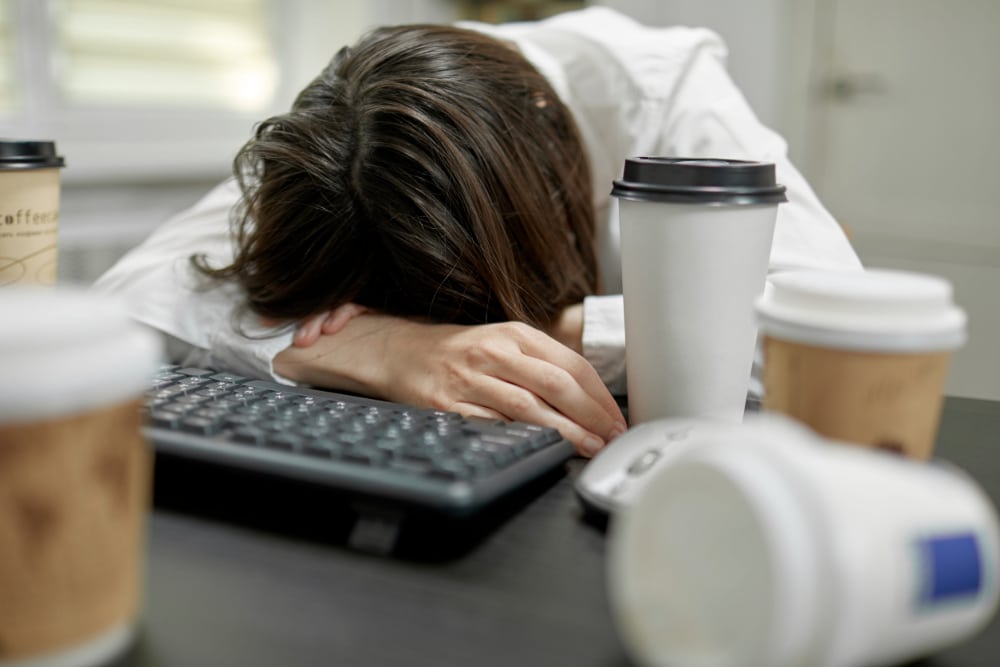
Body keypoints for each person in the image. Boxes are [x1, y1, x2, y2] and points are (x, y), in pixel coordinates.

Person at [94, 7, 861, 457]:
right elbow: (119, 304)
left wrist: (553, 330)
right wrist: (383, 346)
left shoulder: (658, 87)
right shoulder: (349, 129)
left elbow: (832, 333)